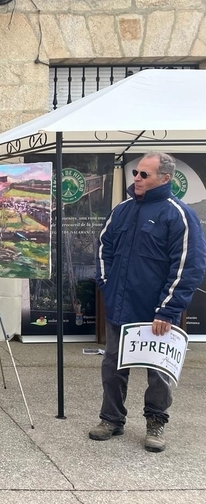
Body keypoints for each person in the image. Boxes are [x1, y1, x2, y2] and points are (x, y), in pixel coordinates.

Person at [91, 152, 206, 452]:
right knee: (112, 366)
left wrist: (167, 311)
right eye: (136, 173)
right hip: (120, 307)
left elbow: (187, 267)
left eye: (144, 175)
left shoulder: (178, 214)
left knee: (158, 372)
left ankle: (156, 422)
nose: (137, 179)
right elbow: (104, 247)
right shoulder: (122, 210)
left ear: (165, 178)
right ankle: (112, 419)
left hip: (157, 314)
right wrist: (106, 284)